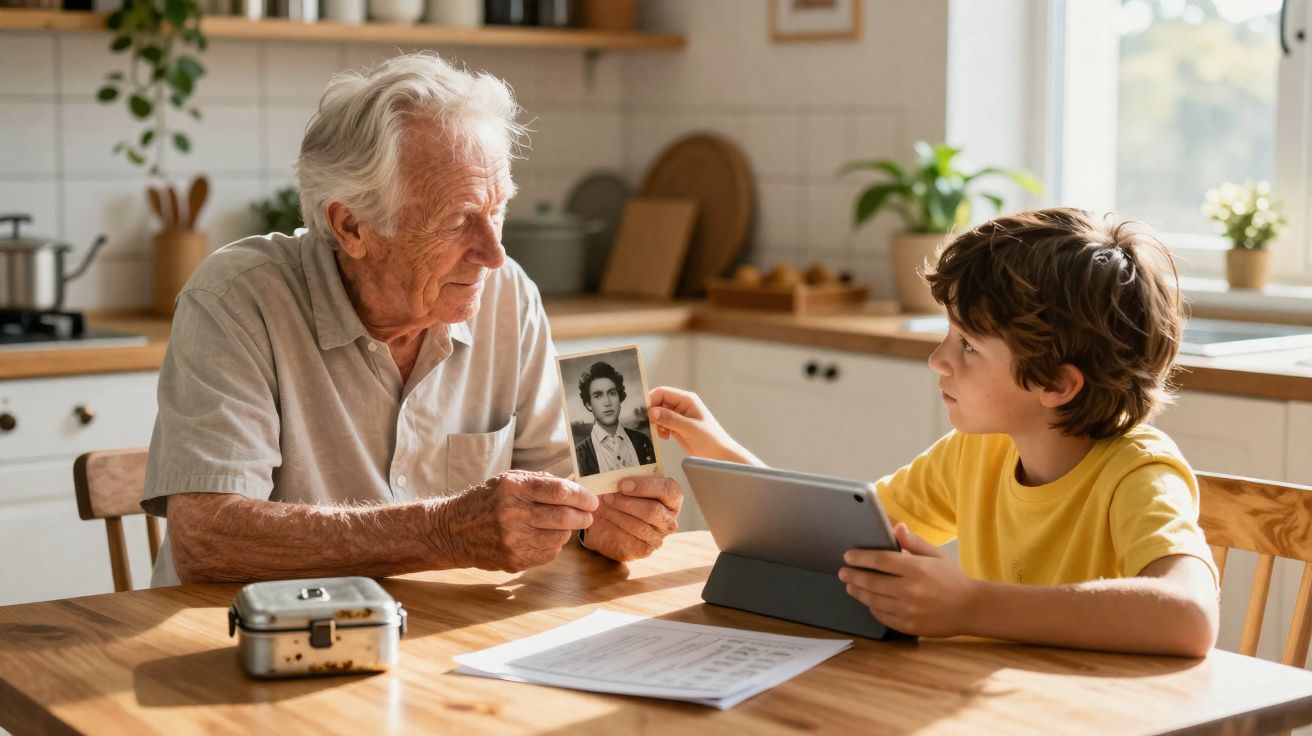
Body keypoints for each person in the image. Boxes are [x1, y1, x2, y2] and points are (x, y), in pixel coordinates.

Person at [141, 52, 681, 586]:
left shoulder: (507, 292)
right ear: (351, 226)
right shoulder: (236, 300)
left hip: (433, 643)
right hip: (235, 645)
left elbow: (566, 486)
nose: (493, 253)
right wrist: (441, 531)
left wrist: (604, 522)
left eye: (496, 211)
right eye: (456, 221)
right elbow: (207, 539)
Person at [648, 208, 1219, 657]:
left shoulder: (1138, 473)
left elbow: (1189, 615)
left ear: (1056, 383)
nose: (938, 360)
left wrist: (972, 606)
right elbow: (841, 542)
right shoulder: (976, 453)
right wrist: (717, 449)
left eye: (968, 345)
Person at [574, 361, 657, 475]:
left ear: (619, 398)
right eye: (598, 396)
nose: (607, 402)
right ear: (588, 404)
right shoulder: (580, 454)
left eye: (612, 393)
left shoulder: (642, 441)